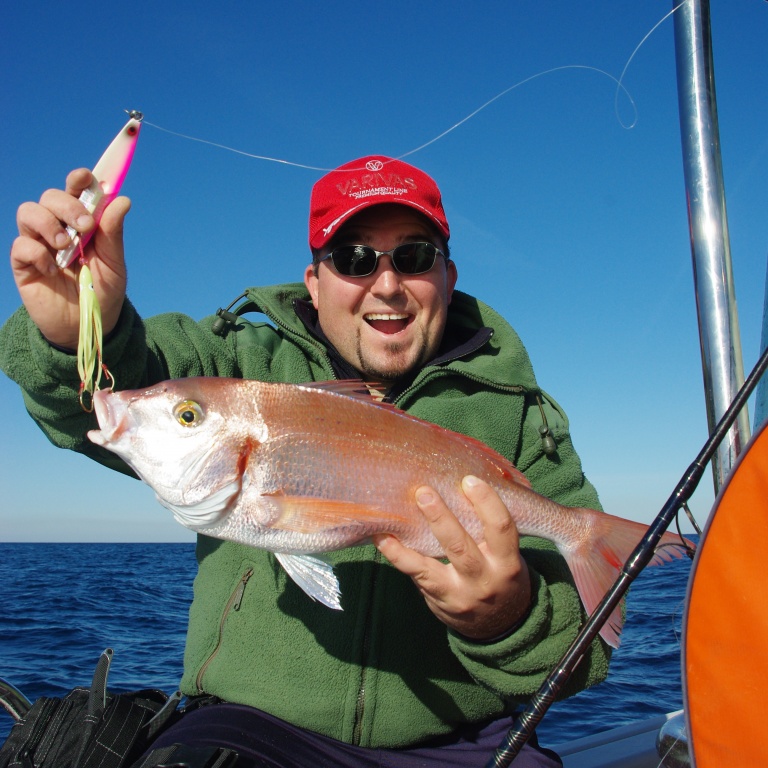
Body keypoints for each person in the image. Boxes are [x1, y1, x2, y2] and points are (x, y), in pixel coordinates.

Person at [1, 155, 611, 767]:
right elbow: (113, 382)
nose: (387, 284)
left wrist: (506, 617)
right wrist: (79, 333)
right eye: (353, 259)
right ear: (314, 281)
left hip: (471, 745)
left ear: (448, 276)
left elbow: (586, 647)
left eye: (415, 257)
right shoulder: (239, 364)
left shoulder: (521, 413)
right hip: (250, 730)